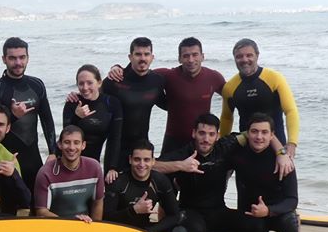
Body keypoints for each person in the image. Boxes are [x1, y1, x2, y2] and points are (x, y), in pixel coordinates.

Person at [155, 113, 292, 232]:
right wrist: (180, 165)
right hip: (190, 213)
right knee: (195, 229)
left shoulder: (225, 146)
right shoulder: (183, 154)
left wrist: (281, 153)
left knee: (257, 225)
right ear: (194, 133)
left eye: (211, 134)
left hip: (217, 212)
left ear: (218, 135)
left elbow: (256, 133)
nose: (206, 139)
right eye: (202, 133)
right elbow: (151, 165)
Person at [105, 37, 226, 154]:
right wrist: (117, 68)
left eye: (195, 55)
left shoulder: (214, 77)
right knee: (162, 168)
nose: (191, 60)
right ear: (179, 58)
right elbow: (140, 72)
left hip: (203, 141)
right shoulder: (167, 76)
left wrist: (222, 134)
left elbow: (231, 97)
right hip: (173, 141)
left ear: (203, 56)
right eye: (186, 56)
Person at [225, 113, 302, 232]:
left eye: (264, 132)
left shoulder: (283, 161)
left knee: (290, 221)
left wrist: (268, 211)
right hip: (251, 217)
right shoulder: (238, 154)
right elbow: (217, 159)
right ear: (247, 133)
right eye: (254, 131)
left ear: (272, 135)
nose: (259, 137)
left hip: (276, 214)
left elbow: (292, 200)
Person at [0, 37, 56, 204]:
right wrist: (13, 116)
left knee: (37, 205)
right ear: (4, 59)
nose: (18, 63)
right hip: (7, 160)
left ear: (28, 57)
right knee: (10, 208)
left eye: (22, 57)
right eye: (12, 58)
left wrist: (53, 152)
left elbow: (47, 120)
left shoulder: (37, 85)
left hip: (33, 157)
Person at [103, 141, 188, 232]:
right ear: (130, 160)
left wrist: (151, 231)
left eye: (146, 160)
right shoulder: (118, 181)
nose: (142, 164)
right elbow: (106, 218)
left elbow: (174, 215)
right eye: (137, 159)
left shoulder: (160, 181)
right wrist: (134, 210)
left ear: (153, 161)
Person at [220, 38, 300, 158]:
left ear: (257, 55)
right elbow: (226, 118)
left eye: (249, 55)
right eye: (239, 56)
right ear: (234, 58)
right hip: (246, 147)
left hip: (278, 149)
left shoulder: (274, 79)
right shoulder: (230, 87)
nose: (244, 60)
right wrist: (222, 147)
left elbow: (290, 111)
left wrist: (292, 143)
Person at [99, 37, 167, 173]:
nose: (143, 58)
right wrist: (76, 99)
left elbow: (171, 106)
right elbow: (94, 98)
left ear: (152, 57)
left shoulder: (157, 81)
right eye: (138, 54)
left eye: (146, 54)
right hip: (116, 150)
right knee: (113, 186)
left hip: (142, 150)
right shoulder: (115, 80)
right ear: (130, 57)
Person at [62, 64, 122, 180]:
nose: (85, 87)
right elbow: (67, 138)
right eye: (81, 83)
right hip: (69, 161)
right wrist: (77, 117)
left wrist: (112, 167)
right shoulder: (73, 103)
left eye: (89, 83)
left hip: (94, 163)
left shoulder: (111, 103)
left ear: (99, 83)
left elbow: (115, 138)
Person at [33, 125, 104, 223]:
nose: (71, 147)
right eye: (67, 142)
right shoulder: (46, 173)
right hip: (55, 225)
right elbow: (41, 212)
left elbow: (98, 202)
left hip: (85, 224)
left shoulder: (94, 168)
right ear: (59, 144)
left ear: (83, 145)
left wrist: (95, 228)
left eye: (76, 143)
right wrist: (71, 223)